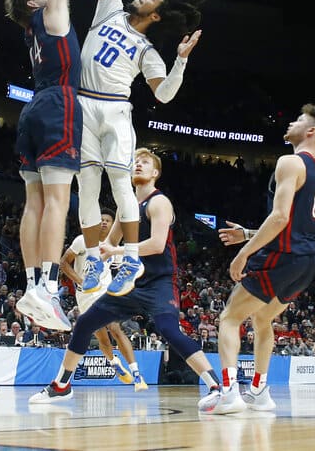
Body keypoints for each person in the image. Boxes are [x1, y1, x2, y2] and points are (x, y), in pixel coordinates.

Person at [75, 0, 206, 299]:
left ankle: (130, 256)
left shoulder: (148, 50)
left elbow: (163, 95)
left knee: (120, 183)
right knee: (86, 186)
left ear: (157, 16)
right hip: (82, 103)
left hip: (114, 108)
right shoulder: (110, 7)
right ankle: (97, 260)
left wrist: (180, 62)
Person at [28, 148, 220, 405]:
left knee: (168, 331)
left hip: (159, 282)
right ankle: (61, 385)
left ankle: (216, 386)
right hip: (129, 283)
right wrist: (95, 256)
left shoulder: (159, 202)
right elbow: (108, 244)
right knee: (85, 323)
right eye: (136, 162)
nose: (138, 165)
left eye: (145, 162)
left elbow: (157, 245)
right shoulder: (126, 208)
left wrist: (116, 250)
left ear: (155, 173)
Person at [208, 104, 315, 414]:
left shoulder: (290, 162)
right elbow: (296, 226)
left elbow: (280, 218)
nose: (290, 121)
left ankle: (227, 392)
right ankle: (258, 391)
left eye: (298, 119)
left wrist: (244, 252)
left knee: (229, 317)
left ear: (310, 131)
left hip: (283, 255)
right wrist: (249, 234)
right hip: (308, 261)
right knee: (264, 318)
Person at [4, 0, 81, 332]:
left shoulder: (34, 26)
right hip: (58, 106)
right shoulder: (52, 13)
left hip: (33, 110)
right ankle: (49, 290)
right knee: (58, 200)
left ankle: (34, 286)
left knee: (34, 202)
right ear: (36, 0)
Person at [60, 206, 146, 390]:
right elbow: (63, 263)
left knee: (115, 328)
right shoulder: (82, 240)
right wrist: (80, 281)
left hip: (105, 292)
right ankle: (114, 363)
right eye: (102, 219)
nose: (105, 222)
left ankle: (137, 374)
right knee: (102, 338)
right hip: (85, 294)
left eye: (108, 220)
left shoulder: (111, 246)